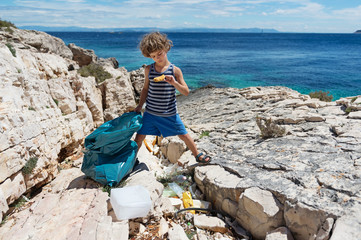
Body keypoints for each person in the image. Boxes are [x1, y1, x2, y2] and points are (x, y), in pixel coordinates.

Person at [134, 32, 211, 164]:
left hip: (169, 113)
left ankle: (197, 154)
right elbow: (145, 89)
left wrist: (174, 83)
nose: (157, 58)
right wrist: (140, 106)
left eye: (160, 53)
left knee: (184, 135)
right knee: (139, 137)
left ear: (166, 49)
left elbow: (186, 92)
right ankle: (131, 160)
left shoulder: (175, 71)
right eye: (153, 56)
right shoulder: (148, 69)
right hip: (150, 113)